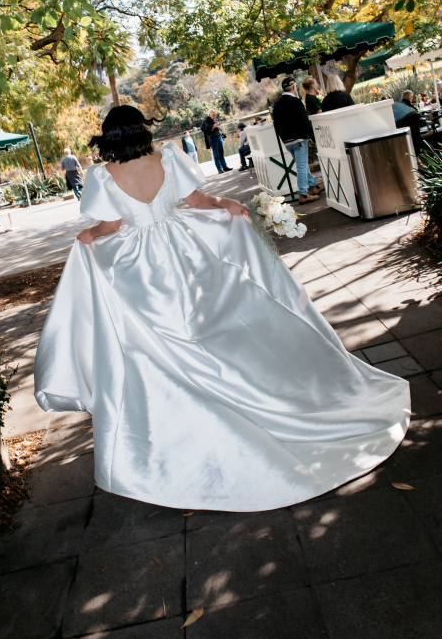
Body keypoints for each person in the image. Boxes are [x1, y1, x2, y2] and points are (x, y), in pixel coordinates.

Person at [33, 104, 410, 512]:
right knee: (214, 317)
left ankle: (191, 405)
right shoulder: (168, 158)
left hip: (138, 265)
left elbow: (109, 228)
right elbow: (195, 200)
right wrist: (226, 204)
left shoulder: (102, 176)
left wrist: (86, 235)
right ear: (141, 129)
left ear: (110, 136)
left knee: (155, 336)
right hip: (183, 249)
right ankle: (237, 383)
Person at [272, 77, 323, 204]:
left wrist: (283, 139)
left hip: (287, 141)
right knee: (301, 166)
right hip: (299, 138)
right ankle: (303, 194)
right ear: (294, 87)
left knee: (302, 165)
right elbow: (305, 121)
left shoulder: (277, 104)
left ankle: (314, 186)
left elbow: (276, 125)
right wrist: (314, 138)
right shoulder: (296, 102)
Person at [200, 108, 232, 173]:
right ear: (209, 115)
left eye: (215, 115)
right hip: (212, 138)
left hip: (219, 136)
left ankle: (224, 166)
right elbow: (205, 130)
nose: (214, 116)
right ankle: (219, 169)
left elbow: (219, 126)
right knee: (216, 154)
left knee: (221, 153)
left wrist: (220, 127)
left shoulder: (215, 119)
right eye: (213, 115)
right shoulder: (206, 120)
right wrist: (213, 127)